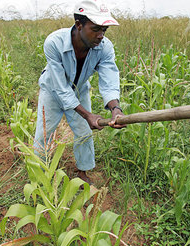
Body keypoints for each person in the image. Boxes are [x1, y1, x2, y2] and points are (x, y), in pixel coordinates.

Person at [34, 0, 125, 184]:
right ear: (79, 25)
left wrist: (115, 108)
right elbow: (60, 87)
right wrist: (87, 114)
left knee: (84, 133)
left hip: (79, 90)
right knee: (43, 134)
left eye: (104, 30)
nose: (101, 36)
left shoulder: (104, 47)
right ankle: (40, 175)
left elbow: (109, 79)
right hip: (52, 90)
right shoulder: (54, 43)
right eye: (96, 29)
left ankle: (83, 172)